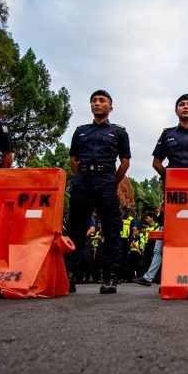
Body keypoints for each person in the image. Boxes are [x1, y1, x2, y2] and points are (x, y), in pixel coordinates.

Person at [135, 93, 188, 287]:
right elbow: (156, 162)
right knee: (165, 231)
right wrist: (167, 176)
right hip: (172, 194)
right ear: (176, 111)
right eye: (181, 104)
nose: (186, 107)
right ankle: (152, 276)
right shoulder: (167, 134)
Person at [66, 89, 130, 294]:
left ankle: (110, 277)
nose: (97, 103)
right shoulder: (81, 130)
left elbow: (125, 162)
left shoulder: (119, 132)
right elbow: (73, 159)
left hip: (106, 181)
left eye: (102, 101)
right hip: (83, 180)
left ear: (110, 108)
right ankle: (69, 275)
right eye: (93, 100)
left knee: (111, 230)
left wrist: (112, 182)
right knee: (75, 229)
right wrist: (80, 177)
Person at [119, 204, 139, 282]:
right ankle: (118, 277)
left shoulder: (132, 220)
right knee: (118, 258)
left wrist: (132, 237)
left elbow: (134, 229)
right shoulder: (119, 218)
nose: (127, 212)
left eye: (129, 211)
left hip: (127, 241)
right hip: (119, 240)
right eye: (126, 211)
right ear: (123, 210)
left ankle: (126, 277)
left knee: (125, 259)